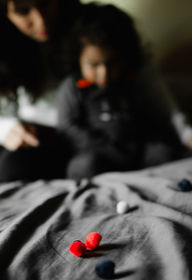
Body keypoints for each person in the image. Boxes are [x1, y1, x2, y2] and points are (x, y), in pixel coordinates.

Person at [57, 5, 192, 180]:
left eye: (112, 63)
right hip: (99, 153)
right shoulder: (74, 87)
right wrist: (100, 144)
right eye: (94, 64)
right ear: (78, 59)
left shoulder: (130, 82)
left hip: (138, 149)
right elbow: (67, 126)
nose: (103, 73)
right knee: (83, 167)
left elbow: (150, 115)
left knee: (163, 152)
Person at [0, 0, 93, 181]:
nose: (41, 21)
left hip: (75, 134)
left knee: (11, 169)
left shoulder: (90, 26)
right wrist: (4, 128)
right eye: (23, 11)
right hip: (24, 131)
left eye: (45, 3)